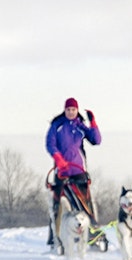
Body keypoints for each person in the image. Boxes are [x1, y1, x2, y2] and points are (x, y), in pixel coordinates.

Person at [45, 97, 102, 245]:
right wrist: (58, 159)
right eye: (68, 110)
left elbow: (96, 140)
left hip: (78, 170)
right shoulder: (57, 125)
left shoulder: (80, 126)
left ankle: (93, 234)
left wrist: (93, 122)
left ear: (77, 111)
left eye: (73, 110)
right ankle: (54, 237)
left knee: (85, 204)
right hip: (61, 171)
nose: (71, 112)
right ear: (65, 110)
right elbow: (50, 144)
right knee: (58, 204)